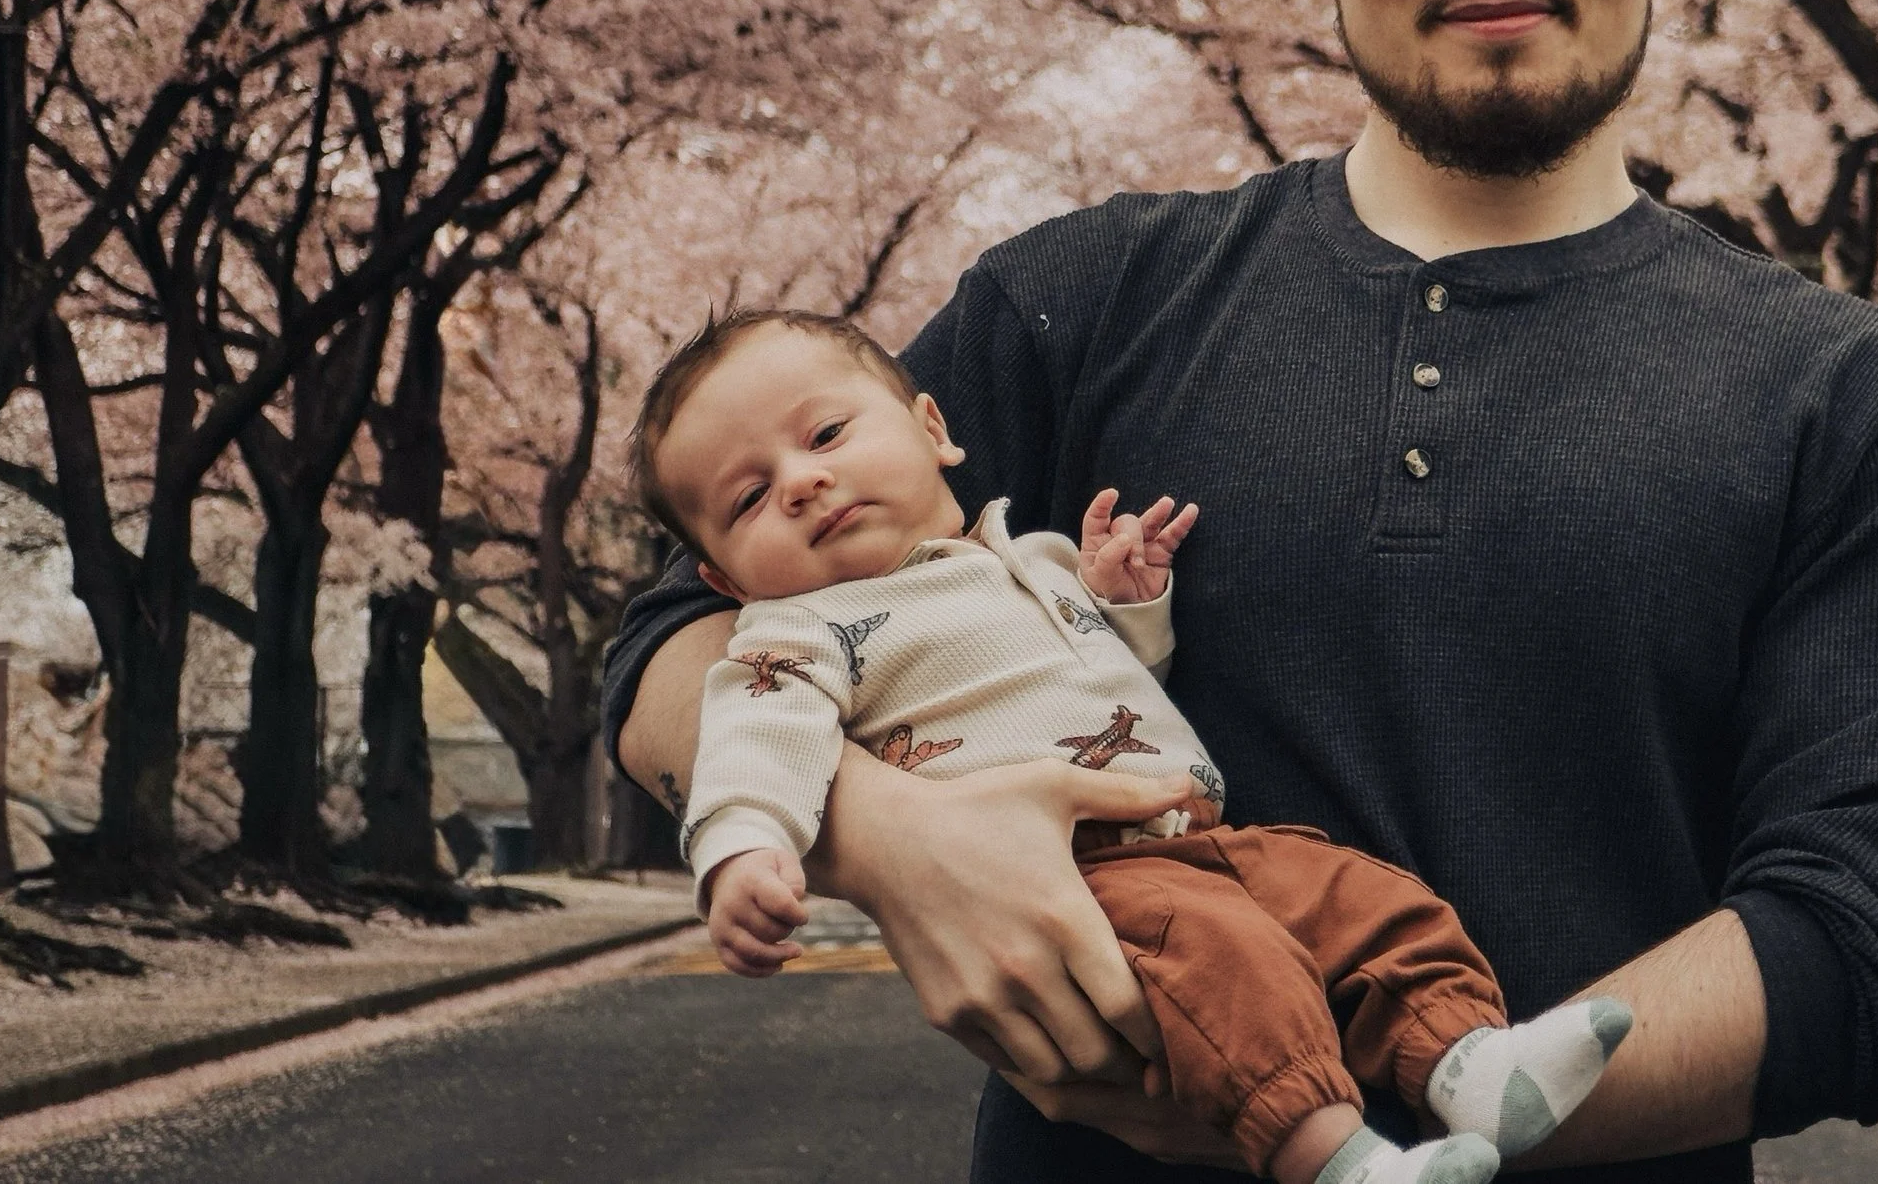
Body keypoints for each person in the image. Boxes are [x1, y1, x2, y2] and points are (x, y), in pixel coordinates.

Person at [602, 0, 1878, 1183]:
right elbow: (679, 632)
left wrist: (1371, 1122)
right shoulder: (1083, 301)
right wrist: (893, 839)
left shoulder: (1854, 400)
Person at [633, 306, 1637, 1184]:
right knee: (1233, 972)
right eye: (749, 498)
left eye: (825, 433)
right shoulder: (801, 632)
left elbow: (1109, 680)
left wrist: (1125, 600)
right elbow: (754, 734)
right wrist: (742, 847)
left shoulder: (1026, 559)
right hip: (1079, 877)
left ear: (932, 430)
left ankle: (1462, 1058)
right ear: (725, 581)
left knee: (1362, 897)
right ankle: (1336, 1154)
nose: (803, 482)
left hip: (1203, 837)